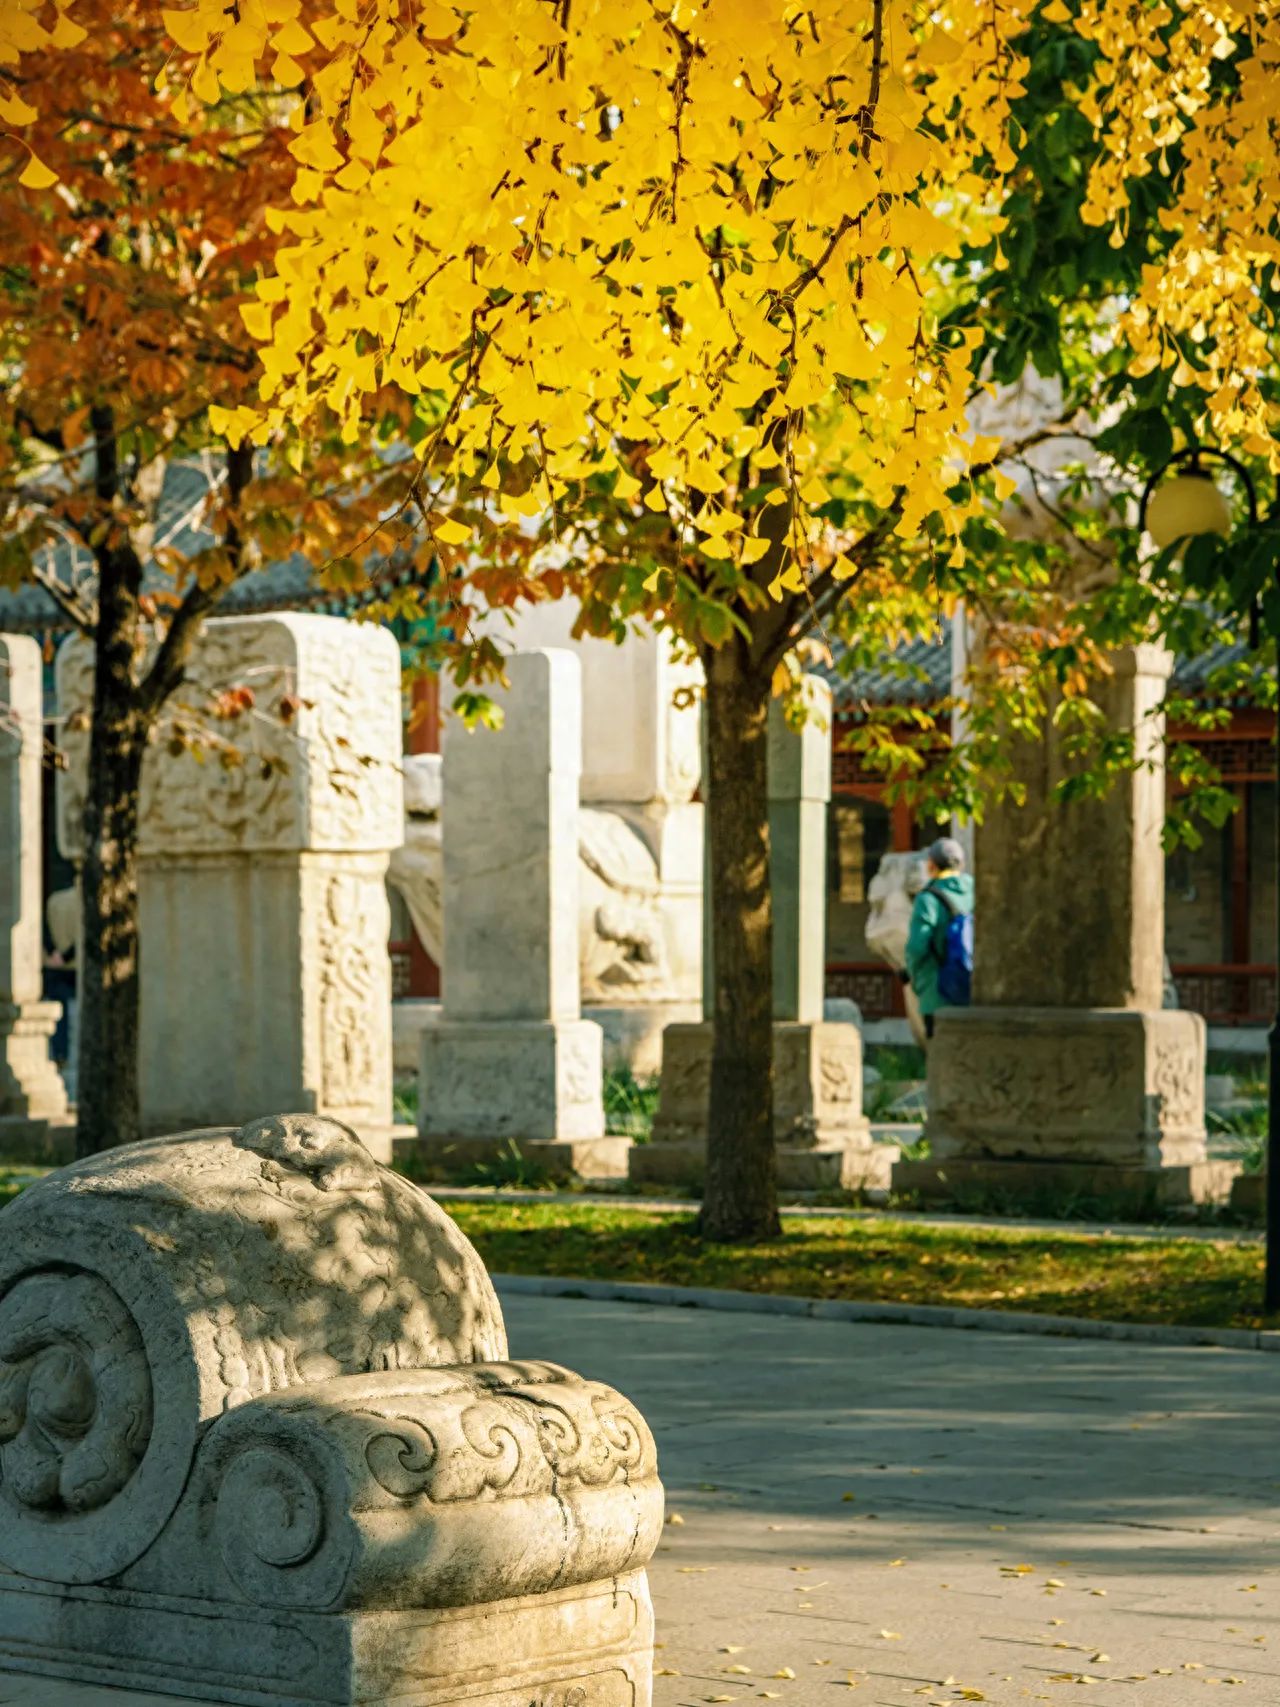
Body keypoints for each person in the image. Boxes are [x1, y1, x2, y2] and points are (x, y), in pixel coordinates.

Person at [904, 836, 974, 1042]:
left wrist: (915, 978)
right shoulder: (977, 892)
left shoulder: (928, 899)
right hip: (974, 990)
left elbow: (917, 947)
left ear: (931, 865)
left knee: (941, 1054)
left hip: (937, 992)